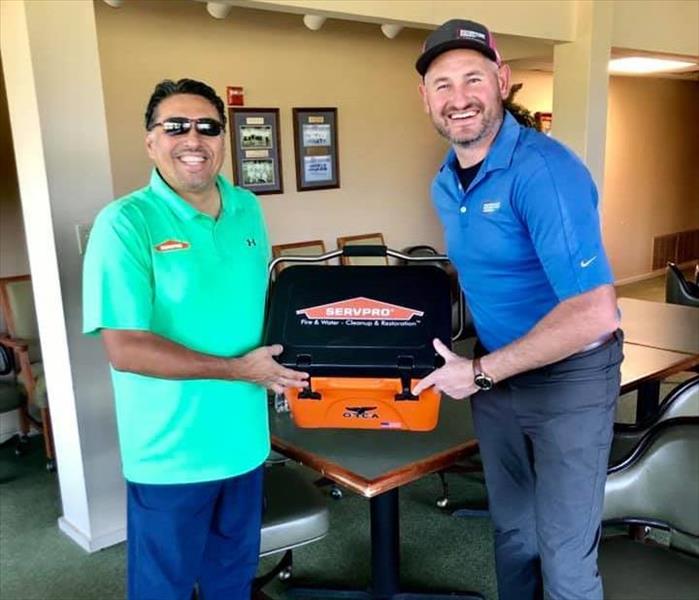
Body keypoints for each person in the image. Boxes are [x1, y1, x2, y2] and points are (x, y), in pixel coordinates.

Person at [412, 20, 623, 600]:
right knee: (514, 536)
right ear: (425, 97)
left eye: (473, 78)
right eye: (443, 84)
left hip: (568, 380)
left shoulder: (544, 172)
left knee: (565, 557)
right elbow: (486, 274)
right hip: (496, 375)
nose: (459, 98)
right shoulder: (445, 185)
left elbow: (595, 313)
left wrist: (478, 373)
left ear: (502, 81)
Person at [82, 78, 308, 600]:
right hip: (171, 455)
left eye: (208, 127)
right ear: (150, 141)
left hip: (246, 445)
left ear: (223, 139)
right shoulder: (124, 223)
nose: (193, 139)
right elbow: (125, 347)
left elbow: (261, 308)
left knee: (232, 583)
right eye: (175, 126)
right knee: (165, 588)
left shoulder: (247, 208)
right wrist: (238, 370)